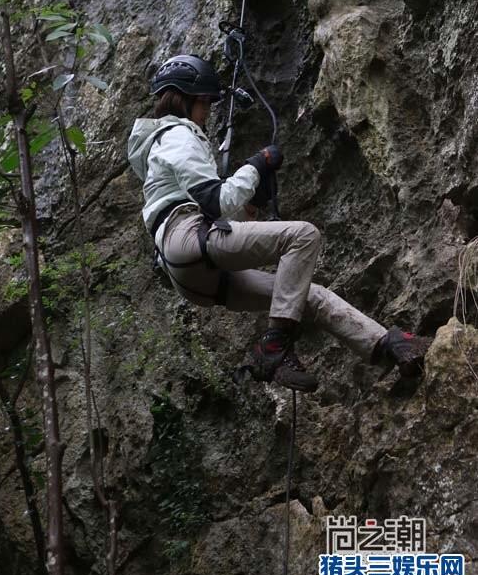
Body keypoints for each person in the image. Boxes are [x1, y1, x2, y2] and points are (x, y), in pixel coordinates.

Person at [128, 54, 430, 392]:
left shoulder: (163, 146)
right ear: (186, 99)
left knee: (305, 295)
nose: (208, 112)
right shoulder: (177, 135)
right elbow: (218, 201)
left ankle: (387, 344)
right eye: (205, 103)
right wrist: (257, 164)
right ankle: (273, 348)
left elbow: (222, 215)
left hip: (191, 272)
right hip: (186, 238)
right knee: (303, 236)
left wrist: (253, 201)